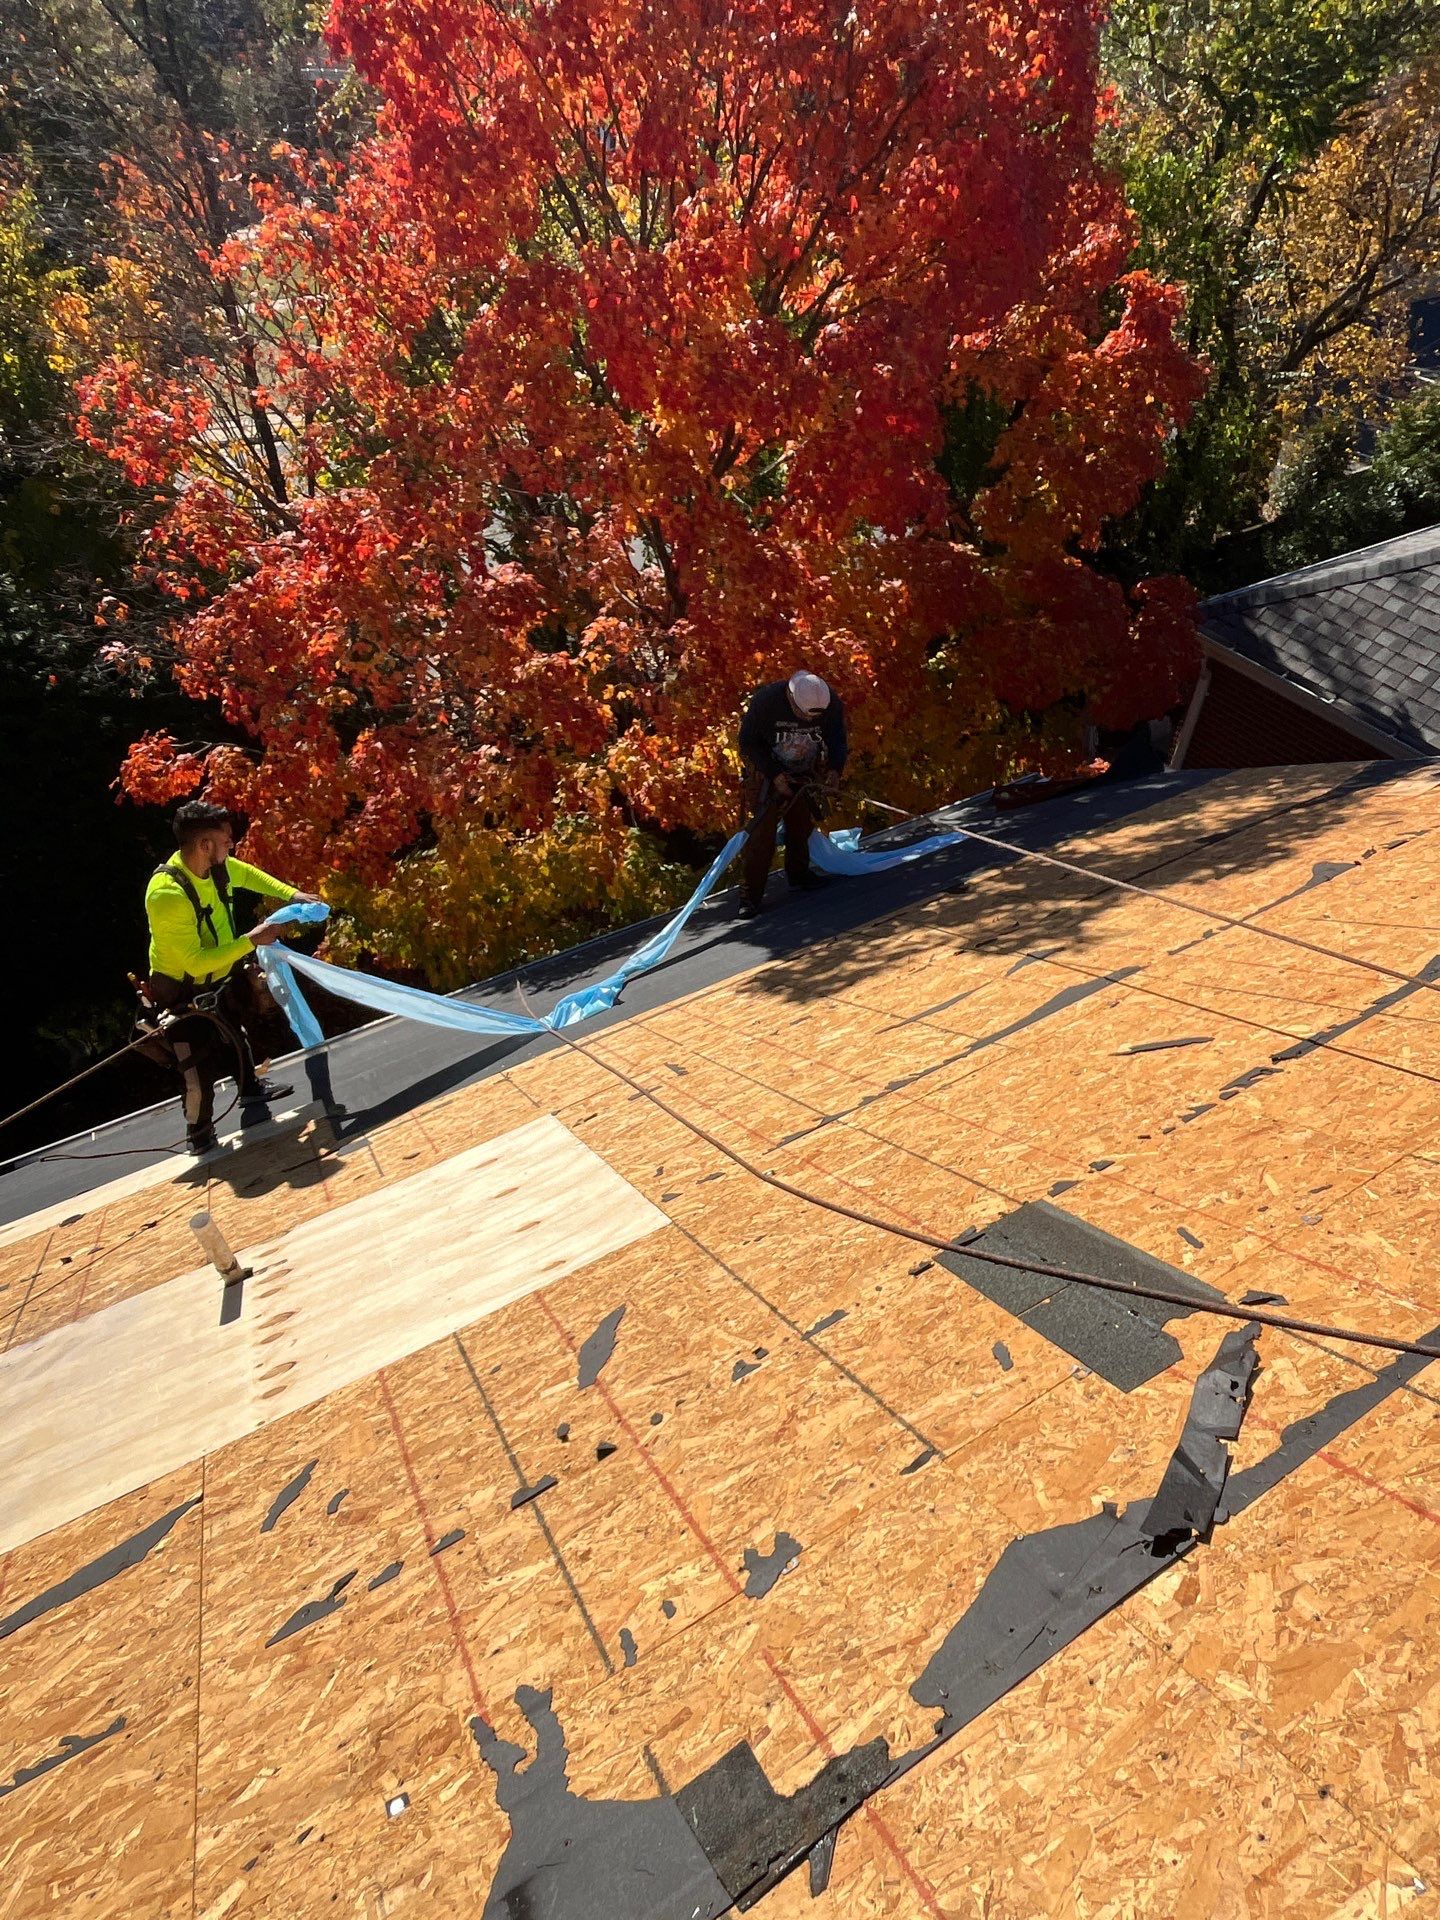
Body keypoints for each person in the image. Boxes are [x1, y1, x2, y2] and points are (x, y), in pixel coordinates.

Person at [144, 800, 319, 1154]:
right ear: (204, 845)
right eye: (226, 840)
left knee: (235, 1035)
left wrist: (291, 894)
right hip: (180, 993)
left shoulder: (217, 868)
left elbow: (248, 874)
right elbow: (193, 963)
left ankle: (251, 1090)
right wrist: (251, 940)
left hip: (219, 977)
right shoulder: (168, 894)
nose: (231, 845)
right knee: (197, 1076)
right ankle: (199, 1135)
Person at [736, 670, 848, 917]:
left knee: (801, 824)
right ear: (790, 696)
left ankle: (799, 876)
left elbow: (838, 739)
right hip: (765, 772)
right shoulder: (766, 702)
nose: (807, 721)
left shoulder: (829, 702)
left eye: (812, 718)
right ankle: (750, 896)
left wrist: (834, 769)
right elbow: (747, 743)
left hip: (802, 771)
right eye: (801, 715)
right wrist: (774, 773)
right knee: (761, 835)